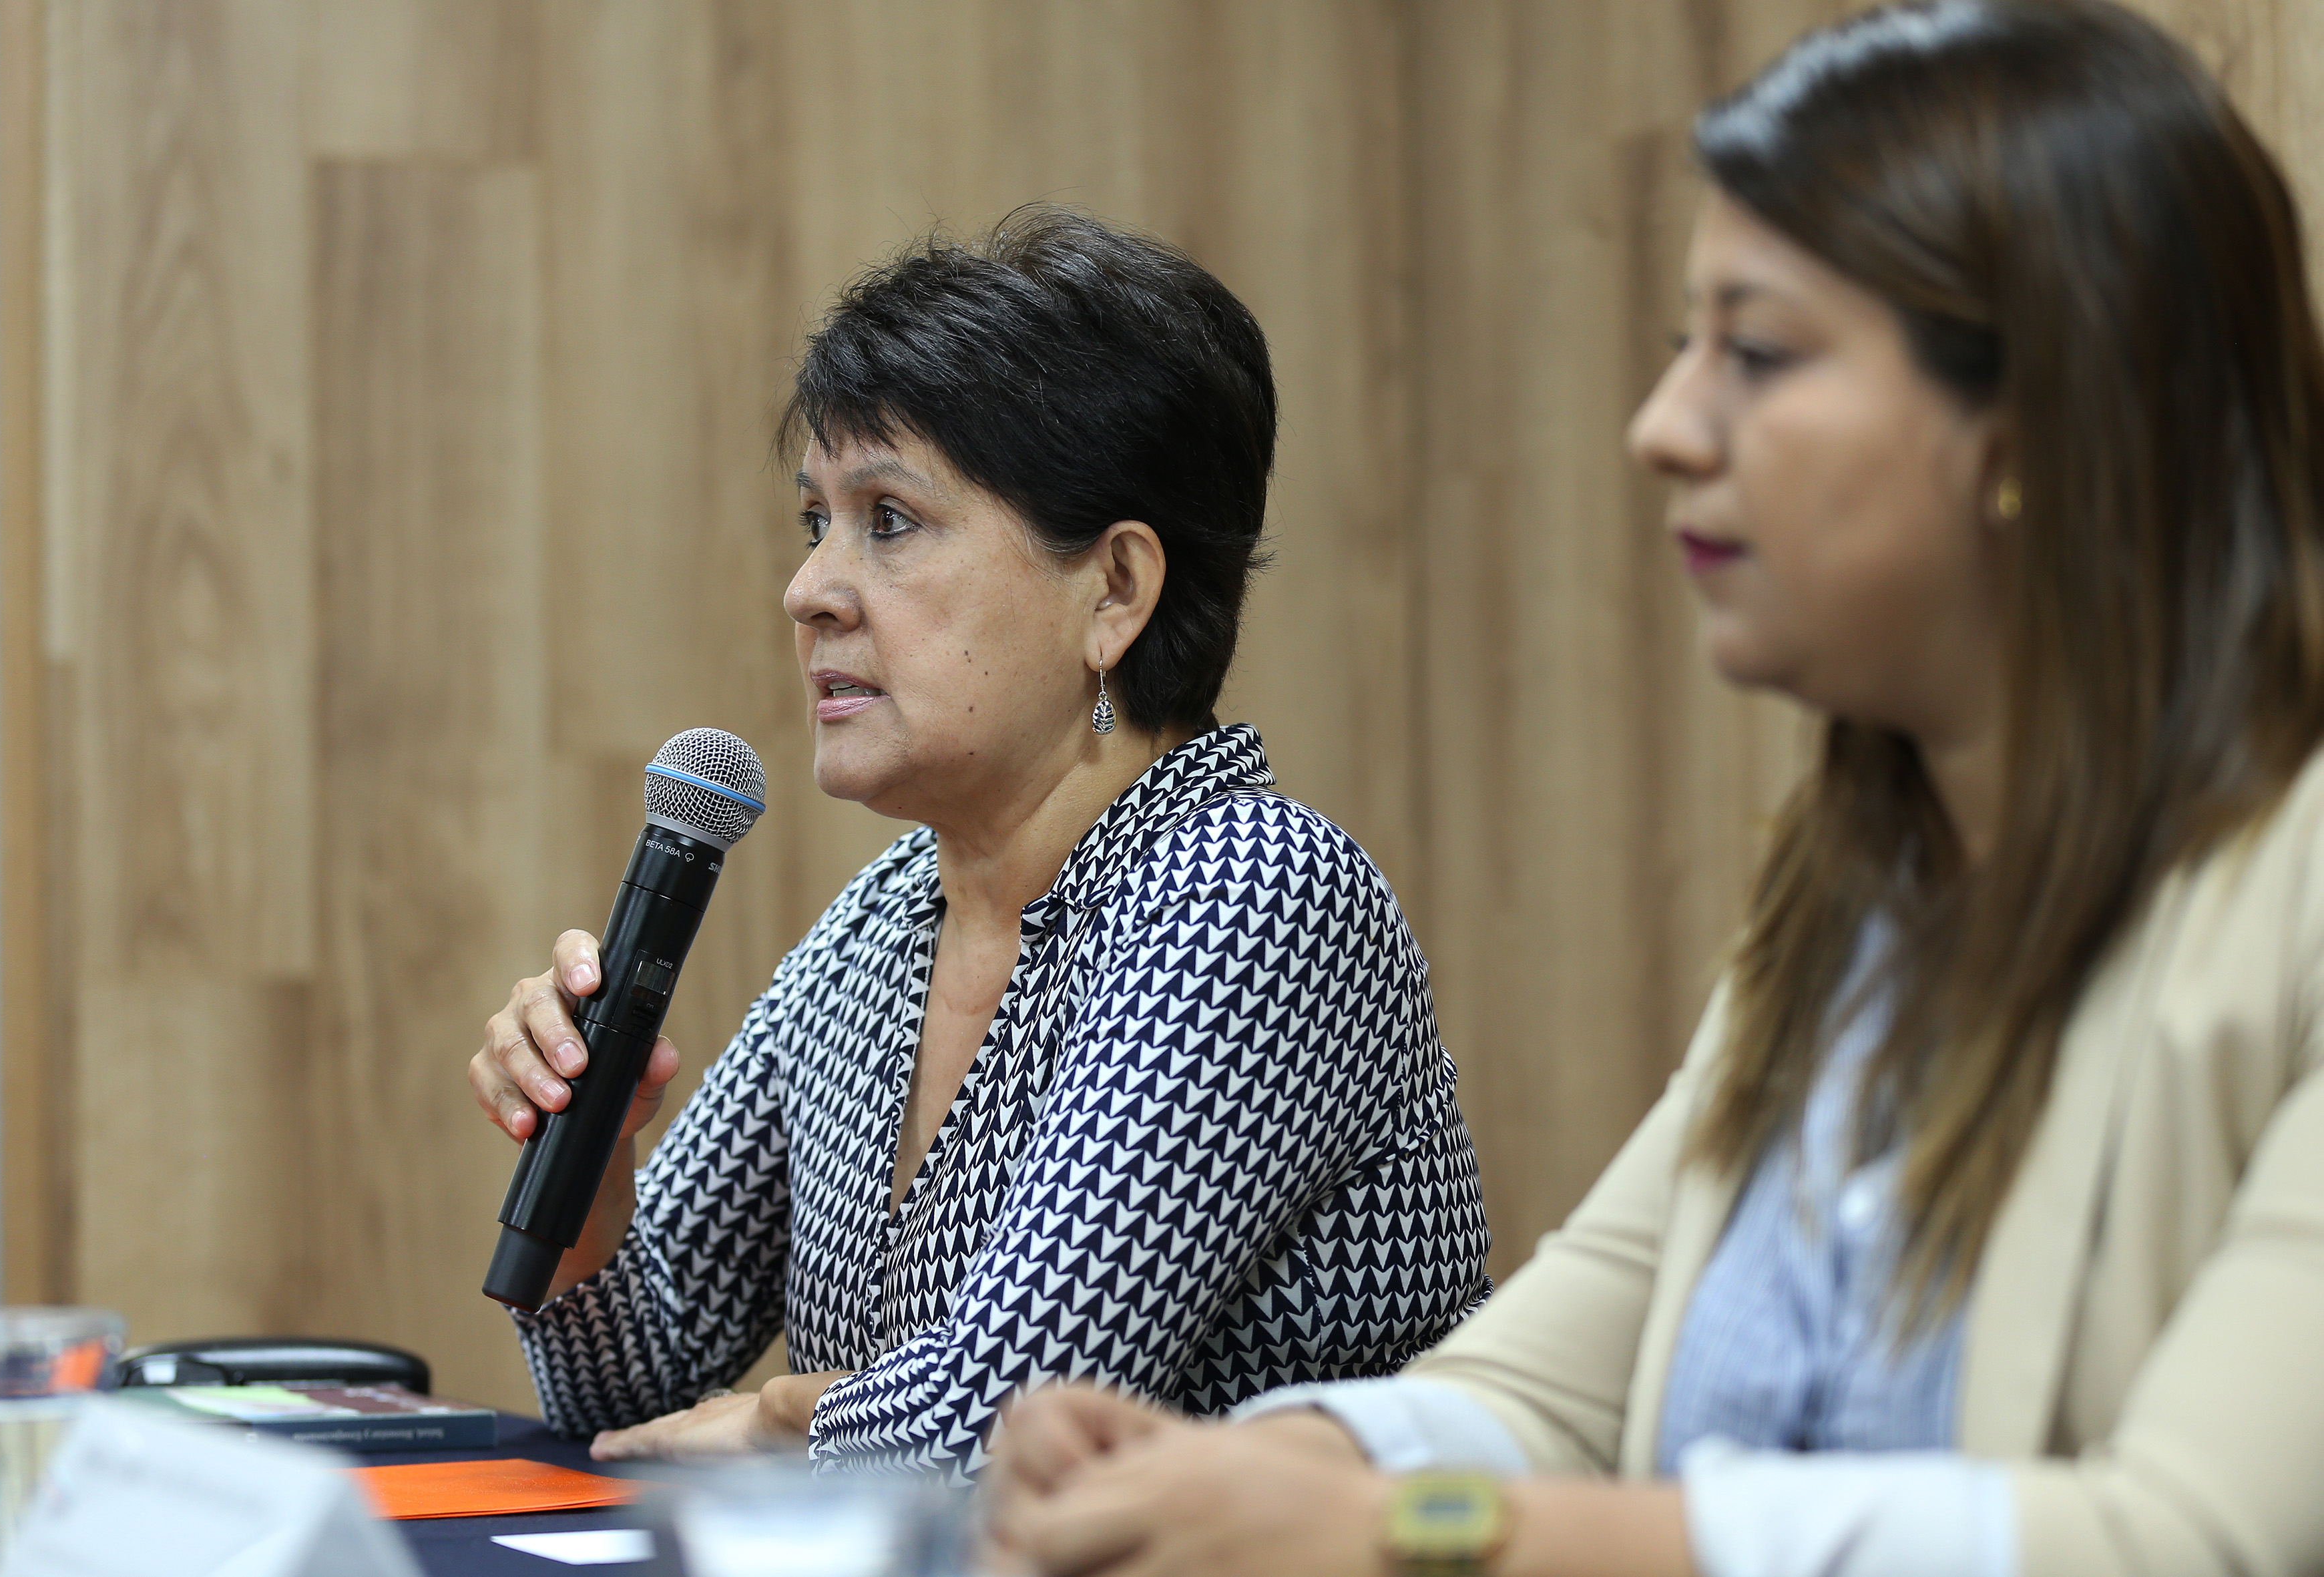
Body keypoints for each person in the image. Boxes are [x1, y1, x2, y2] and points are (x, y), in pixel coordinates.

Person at [989, 3, 2324, 1572]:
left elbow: (2188, 1535)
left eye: (1753, 352)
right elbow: (1544, 1377)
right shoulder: (1847, 897)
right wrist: (1236, 1470)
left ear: (2035, 420)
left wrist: (1405, 1526)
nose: (1661, 426)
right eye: (1683, 345)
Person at [467, 206, 1491, 1480]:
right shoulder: (888, 915)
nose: (811, 589)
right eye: (815, 522)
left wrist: (784, 1412)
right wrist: (594, 1163)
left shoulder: (1260, 897)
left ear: (1114, 590)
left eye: (888, 520)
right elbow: (628, 1394)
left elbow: (996, 1429)